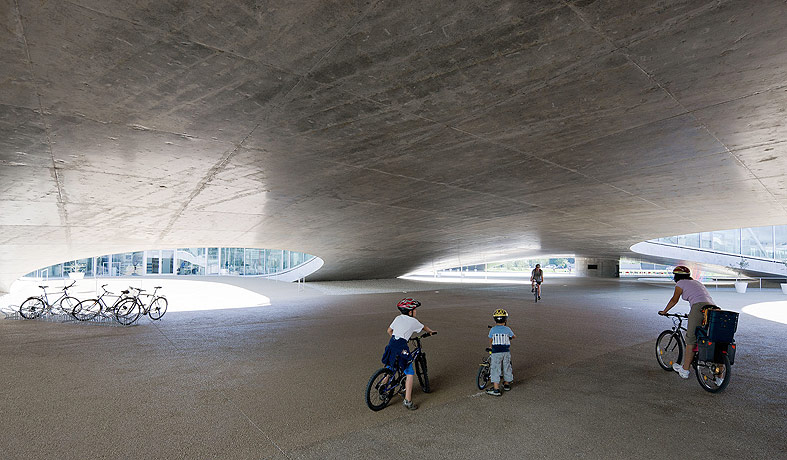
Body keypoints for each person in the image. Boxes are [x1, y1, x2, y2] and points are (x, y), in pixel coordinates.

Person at [658, 266, 717, 379]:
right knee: (710, 337)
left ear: (676, 276)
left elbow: (674, 299)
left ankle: (685, 370)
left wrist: (665, 311)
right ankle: (719, 377)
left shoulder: (680, 283)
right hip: (713, 308)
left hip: (698, 308)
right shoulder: (697, 282)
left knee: (690, 339)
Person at [381, 298, 437, 410]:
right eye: (414, 310)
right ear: (410, 312)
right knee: (410, 373)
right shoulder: (413, 321)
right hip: (402, 346)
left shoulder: (397, 318)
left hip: (392, 344)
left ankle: (382, 389)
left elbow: (389, 331)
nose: (415, 311)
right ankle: (408, 400)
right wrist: (430, 332)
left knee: (390, 367)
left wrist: (397, 338)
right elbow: (424, 327)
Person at [486, 308, 516, 396]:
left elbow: (491, 340)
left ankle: (496, 389)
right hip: (506, 352)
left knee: (495, 368)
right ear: (506, 320)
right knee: (507, 367)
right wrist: (510, 337)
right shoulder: (507, 329)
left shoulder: (493, 330)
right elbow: (513, 336)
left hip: (496, 352)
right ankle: (506, 384)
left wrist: (490, 347)